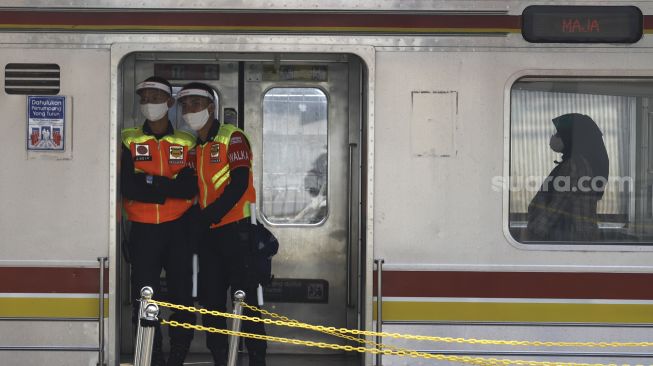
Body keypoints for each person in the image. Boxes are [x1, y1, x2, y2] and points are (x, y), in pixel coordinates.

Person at [177, 82, 267, 366]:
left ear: (211, 107)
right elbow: (191, 186)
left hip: (237, 233)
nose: (190, 110)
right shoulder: (195, 148)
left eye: (196, 104)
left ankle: (256, 361)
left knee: (247, 304)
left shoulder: (233, 137)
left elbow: (239, 184)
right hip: (210, 238)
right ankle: (220, 360)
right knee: (213, 305)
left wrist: (208, 216)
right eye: (186, 105)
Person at [120, 76, 197, 366]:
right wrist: (169, 187)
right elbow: (129, 186)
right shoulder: (130, 138)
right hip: (142, 232)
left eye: (154, 98)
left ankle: (177, 357)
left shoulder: (186, 141)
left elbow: (189, 188)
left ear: (169, 103)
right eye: (144, 99)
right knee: (144, 300)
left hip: (179, 230)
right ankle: (152, 357)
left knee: (181, 300)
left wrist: (151, 182)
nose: (148, 104)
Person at [525, 113, 609, 242]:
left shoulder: (574, 166)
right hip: (577, 237)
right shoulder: (581, 163)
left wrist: (530, 238)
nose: (554, 137)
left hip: (567, 239)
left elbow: (556, 207)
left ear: (571, 137)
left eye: (559, 133)